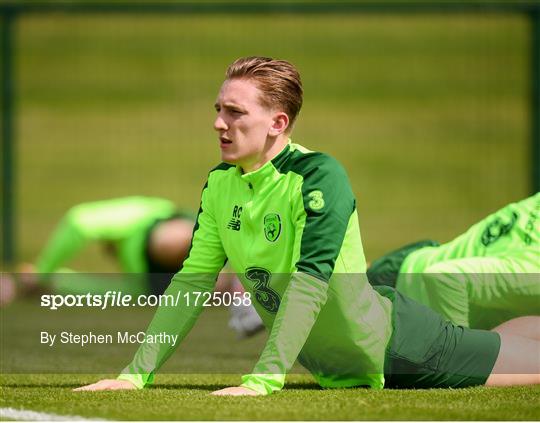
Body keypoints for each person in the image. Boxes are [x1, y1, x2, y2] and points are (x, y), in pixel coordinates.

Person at [75, 56, 540, 395]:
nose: (219, 123)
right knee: (504, 344)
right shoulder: (220, 185)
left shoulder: (320, 176)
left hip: (401, 350)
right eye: (218, 109)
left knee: (530, 367)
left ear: (278, 122)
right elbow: (192, 282)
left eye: (235, 113)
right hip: (335, 365)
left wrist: (265, 377)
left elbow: (310, 283)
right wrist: (135, 374)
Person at [10, 196, 263, 337]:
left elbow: (78, 222)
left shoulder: (134, 219)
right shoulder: (134, 286)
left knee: (172, 241)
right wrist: (37, 281)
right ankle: (247, 292)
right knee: (204, 283)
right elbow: (90, 288)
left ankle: (247, 284)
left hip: (158, 247)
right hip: (153, 286)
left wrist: (42, 272)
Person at [367, 194, 540, 329]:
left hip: (413, 261)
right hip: (400, 301)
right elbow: (444, 277)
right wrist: (461, 361)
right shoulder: (533, 274)